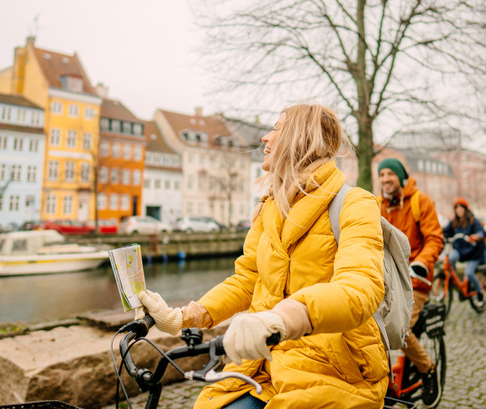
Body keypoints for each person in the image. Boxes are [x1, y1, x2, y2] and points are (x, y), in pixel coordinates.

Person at [139, 104, 388, 408]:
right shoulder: (270, 206)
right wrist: (181, 317)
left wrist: (281, 318)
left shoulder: (355, 203)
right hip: (264, 363)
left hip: (332, 367)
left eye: (276, 128)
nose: (265, 139)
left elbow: (360, 289)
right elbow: (247, 280)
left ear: (301, 137)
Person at [377, 158, 444, 408]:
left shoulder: (420, 201)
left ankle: (428, 369)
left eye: (390, 174)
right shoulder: (378, 204)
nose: (385, 179)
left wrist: (422, 263)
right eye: (381, 174)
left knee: (400, 330)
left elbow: (435, 238)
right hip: (387, 278)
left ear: (401, 177)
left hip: (416, 279)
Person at [442, 197, 486, 302]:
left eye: (461, 208)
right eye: (457, 208)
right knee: (451, 258)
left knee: (469, 272)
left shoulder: (472, 220)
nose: (459, 210)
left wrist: (474, 237)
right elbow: (445, 231)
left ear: (465, 209)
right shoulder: (454, 222)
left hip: (474, 252)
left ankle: (480, 291)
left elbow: (481, 232)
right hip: (460, 251)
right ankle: (457, 282)